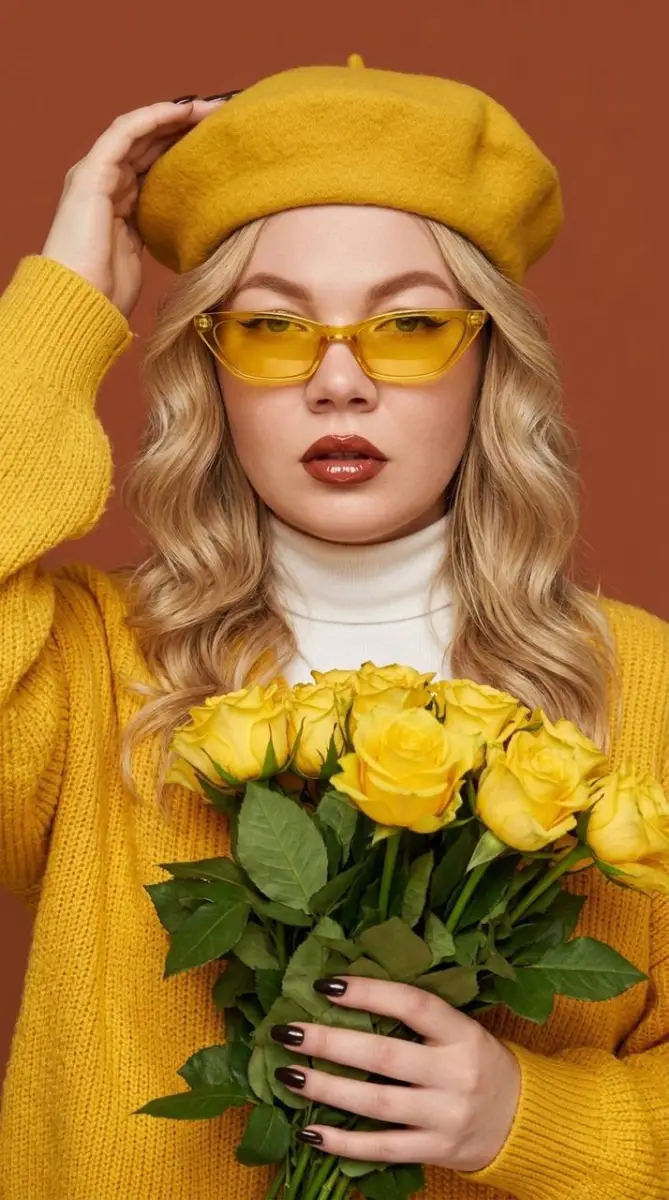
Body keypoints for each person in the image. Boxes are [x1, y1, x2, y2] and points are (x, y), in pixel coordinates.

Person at [0, 52, 666, 1200]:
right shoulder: (88, 666)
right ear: (210, 374)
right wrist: (63, 308)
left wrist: (531, 1114)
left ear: (489, 362)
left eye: (407, 324)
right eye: (272, 327)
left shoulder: (642, 684)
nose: (340, 382)